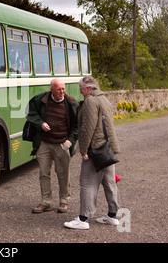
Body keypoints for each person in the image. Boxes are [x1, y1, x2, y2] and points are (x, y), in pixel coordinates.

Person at [64, 76, 121, 230]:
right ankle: (112, 215)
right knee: (110, 183)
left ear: (88, 88)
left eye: (81, 89)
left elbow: (87, 128)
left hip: (95, 149)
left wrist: (84, 150)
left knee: (87, 183)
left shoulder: (90, 101)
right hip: (107, 148)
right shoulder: (104, 99)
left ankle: (83, 219)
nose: (80, 92)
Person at [26, 79, 79, 214]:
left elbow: (78, 125)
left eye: (63, 89)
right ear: (51, 90)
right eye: (58, 90)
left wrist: (70, 140)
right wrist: (40, 123)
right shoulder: (40, 100)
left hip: (62, 144)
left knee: (63, 174)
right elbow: (31, 113)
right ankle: (45, 202)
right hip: (44, 143)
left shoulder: (72, 103)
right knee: (43, 173)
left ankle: (64, 201)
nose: (62, 92)